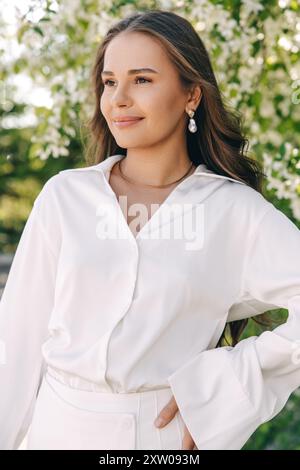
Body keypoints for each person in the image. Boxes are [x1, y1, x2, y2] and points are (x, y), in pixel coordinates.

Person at [1, 10, 300, 451]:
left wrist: (225, 387)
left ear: (191, 96)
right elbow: (16, 343)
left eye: (141, 80)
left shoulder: (235, 211)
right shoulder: (65, 196)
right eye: (109, 82)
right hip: (53, 430)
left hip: (162, 442)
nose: (118, 98)